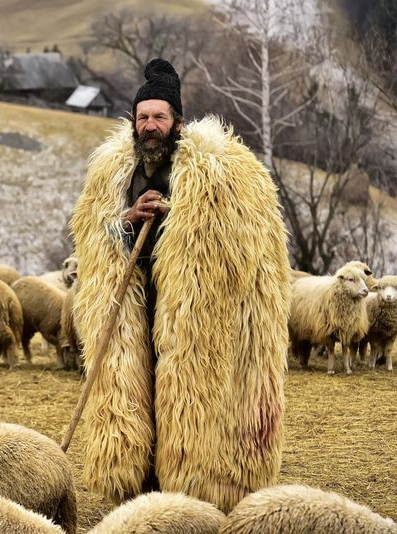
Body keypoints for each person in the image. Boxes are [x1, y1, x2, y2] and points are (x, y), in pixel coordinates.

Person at [69, 58, 291, 513]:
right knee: (135, 394)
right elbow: (92, 233)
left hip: (196, 308)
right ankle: (141, 490)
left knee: (192, 398)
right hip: (135, 304)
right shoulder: (114, 174)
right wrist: (128, 219)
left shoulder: (220, 169)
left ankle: (198, 487)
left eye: (159, 117)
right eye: (143, 118)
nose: (150, 127)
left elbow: (244, 237)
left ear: (177, 122)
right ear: (133, 122)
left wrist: (183, 220)